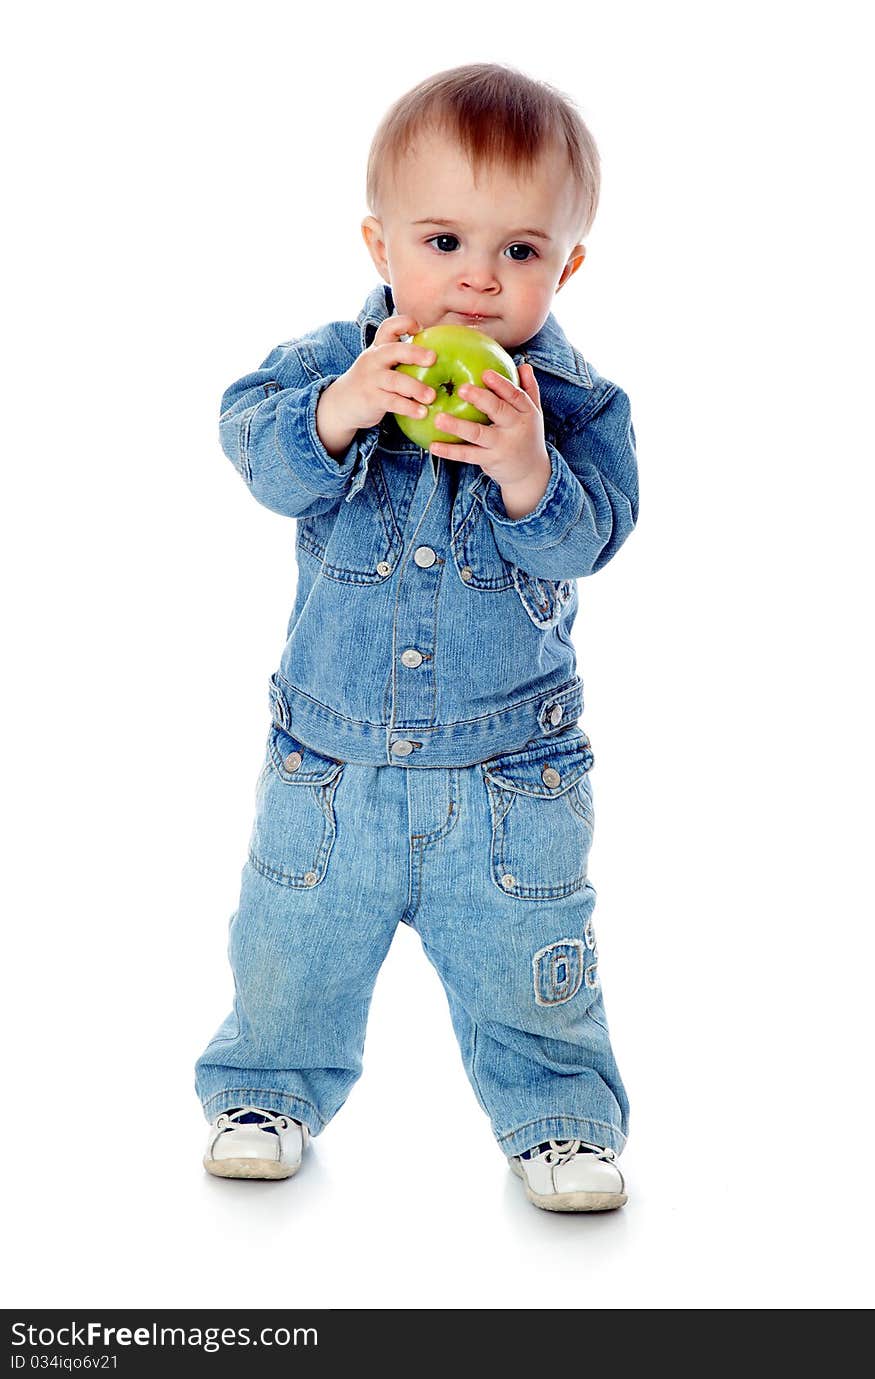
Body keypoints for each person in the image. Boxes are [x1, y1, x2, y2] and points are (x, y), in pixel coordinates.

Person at [194, 62, 638, 1213]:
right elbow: (255, 447)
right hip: (329, 763)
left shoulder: (574, 407)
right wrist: (345, 407)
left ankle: (559, 1119)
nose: (479, 281)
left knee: (534, 960)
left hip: (511, 774)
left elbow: (591, 539)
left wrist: (527, 470)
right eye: (443, 241)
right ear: (378, 242)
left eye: (521, 252)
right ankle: (264, 1090)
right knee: (289, 943)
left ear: (566, 265)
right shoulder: (329, 371)